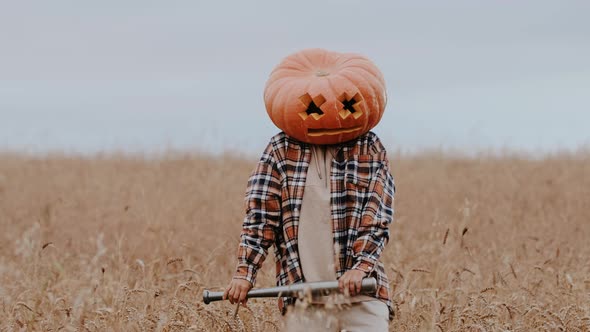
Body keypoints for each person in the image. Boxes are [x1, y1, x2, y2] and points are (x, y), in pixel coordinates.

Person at [223, 48, 395, 331]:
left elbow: (377, 213)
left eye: (346, 104)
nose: (328, 117)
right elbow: (260, 216)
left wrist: (361, 266)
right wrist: (245, 273)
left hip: (361, 292)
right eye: (313, 108)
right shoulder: (279, 151)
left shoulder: (369, 148)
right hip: (303, 298)